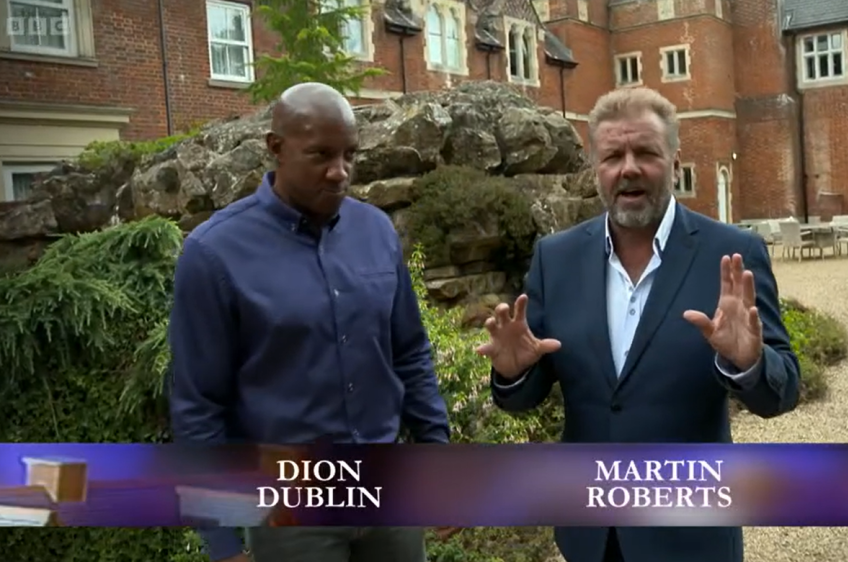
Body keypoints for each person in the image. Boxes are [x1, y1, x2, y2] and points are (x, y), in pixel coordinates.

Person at [477, 87, 800, 562]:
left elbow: (783, 391)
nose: (628, 167)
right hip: (590, 534)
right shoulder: (556, 258)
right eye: (612, 155)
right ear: (596, 167)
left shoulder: (730, 254)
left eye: (645, 152)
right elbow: (529, 393)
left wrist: (750, 363)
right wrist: (514, 373)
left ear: (673, 159)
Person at [167, 82, 451, 562]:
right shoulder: (213, 254)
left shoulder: (376, 231)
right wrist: (222, 541)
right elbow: (197, 406)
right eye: (321, 155)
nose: (340, 172)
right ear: (276, 148)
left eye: (349, 155)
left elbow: (409, 352)